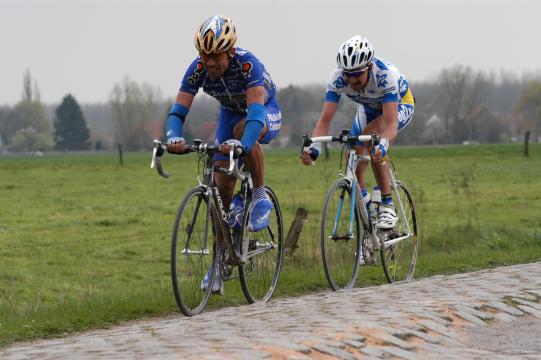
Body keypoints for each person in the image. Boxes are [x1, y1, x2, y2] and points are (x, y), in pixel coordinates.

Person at [165, 15, 282, 294]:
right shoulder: (197, 69)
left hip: (263, 112)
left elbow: (255, 114)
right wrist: (173, 137)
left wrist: (242, 144)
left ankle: (259, 195)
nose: (209, 64)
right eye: (205, 56)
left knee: (245, 130)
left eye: (215, 56)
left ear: (229, 51)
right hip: (229, 116)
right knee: (221, 184)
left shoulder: (248, 64)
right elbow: (178, 110)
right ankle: (218, 262)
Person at [300, 35, 414, 229]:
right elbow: (325, 120)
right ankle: (367, 213)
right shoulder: (337, 78)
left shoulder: (386, 75)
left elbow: (390, 124)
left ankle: (387, 204)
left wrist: (383, 145)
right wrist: (314, 147)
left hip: (399, 105)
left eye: (357, 74)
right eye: (347, 74)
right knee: (352, 155)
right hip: (368, 107)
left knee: (373, 140)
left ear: (369, 68)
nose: (351, 79)